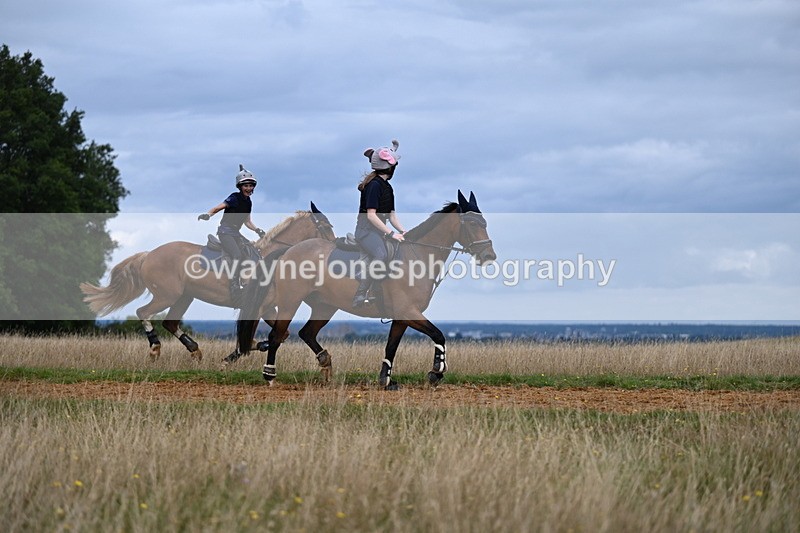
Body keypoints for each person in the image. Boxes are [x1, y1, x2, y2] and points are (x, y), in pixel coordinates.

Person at [198, 164, 266, 304]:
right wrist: (208, 215)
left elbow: (247, 222)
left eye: (251, 185)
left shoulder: (248, 202)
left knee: (252, 251)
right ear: (240, 187)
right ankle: (235, 285)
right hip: (225, 232)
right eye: (246, 186)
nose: (249, 188)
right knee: (237, 255)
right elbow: (218, 207)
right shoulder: (234, 198)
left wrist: (257, 230)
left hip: (236, 233)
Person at [353, 139, 407, 308]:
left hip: (378, 231)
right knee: (381, 255)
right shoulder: (374, 186)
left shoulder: (387, 187)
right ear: (390, 167)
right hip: (366, 231)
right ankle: (361, 293)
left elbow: (391, 216)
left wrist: (403, 232)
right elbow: (371, 216)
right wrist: (391, 234)